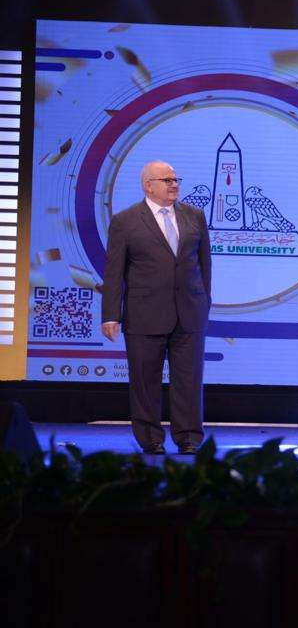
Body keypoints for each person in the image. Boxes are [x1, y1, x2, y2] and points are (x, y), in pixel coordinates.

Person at [101, 161, 212, 455]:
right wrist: (111, 314)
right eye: (167, 180)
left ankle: (189, 437)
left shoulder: (195, 216)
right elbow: (114, 272)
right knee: (145, 381)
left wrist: (204, 303)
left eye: (176, 179)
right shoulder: (126, 221)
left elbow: (205, 265)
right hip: (144, 314)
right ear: (148, 186)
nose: (174, 184)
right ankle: (150, 438)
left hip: (189, 313)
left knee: (189, 380)